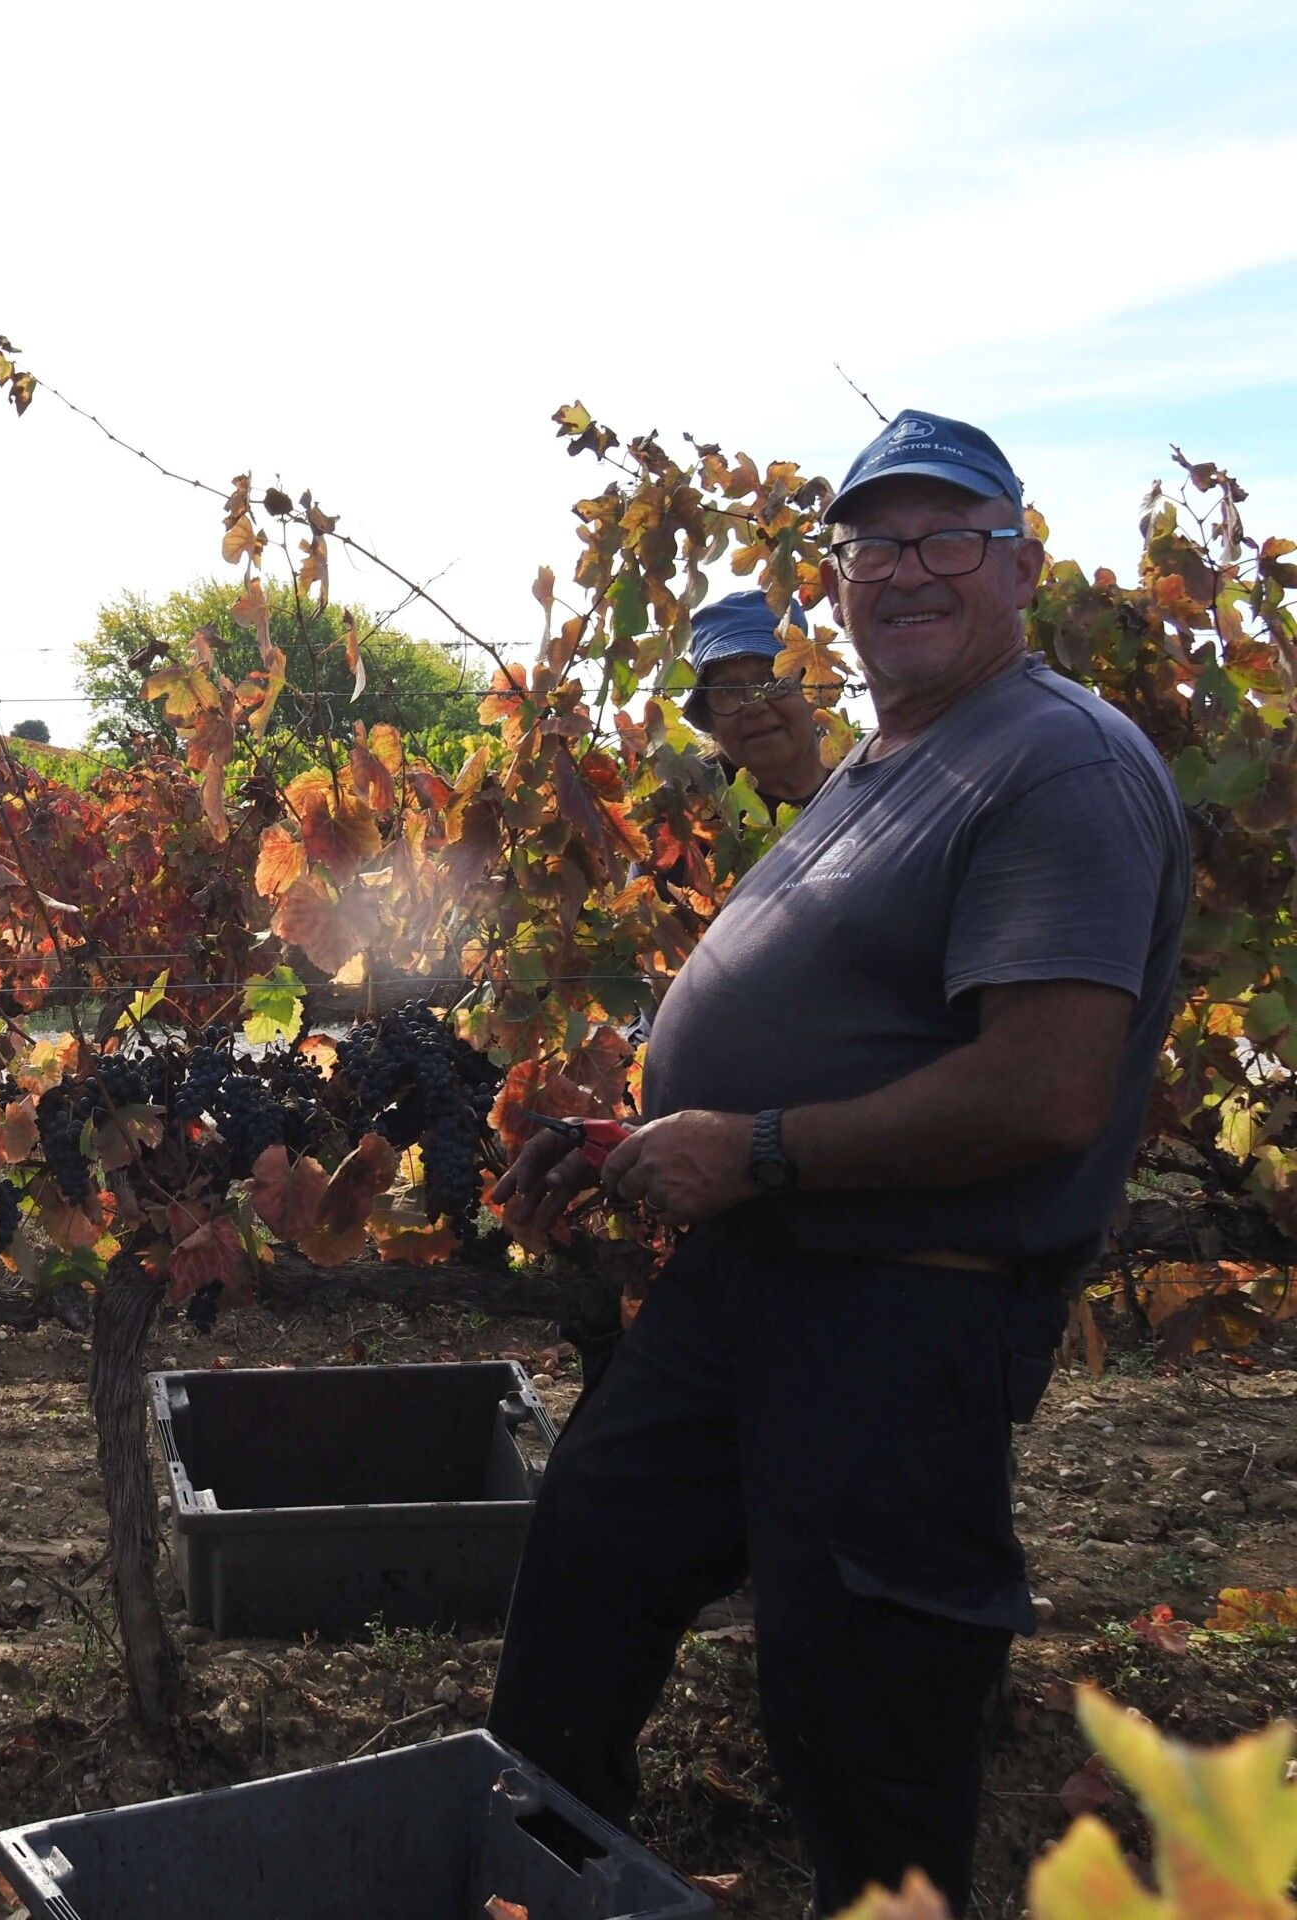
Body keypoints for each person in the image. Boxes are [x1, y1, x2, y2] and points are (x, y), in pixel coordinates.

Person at [486, 412, 1189, 1914]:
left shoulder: (1055, 760)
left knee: (865, 1722)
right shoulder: (892, 760)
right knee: (588, 1578)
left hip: (898, 1317)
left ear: (1022, 561)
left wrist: (758, 1149)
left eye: (948, 538)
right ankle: (543, 1890)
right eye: (876, 544)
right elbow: (833, 1016)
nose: (905, 572)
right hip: (756, 1286)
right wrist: (643, 1145)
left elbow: (1046, 1089)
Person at [684, 588, 832, 807]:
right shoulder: (685, 818)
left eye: (773, 679)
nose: (754, 706)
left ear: (812, 687)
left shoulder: (873, 785)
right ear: (708, 719)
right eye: (727, 689)